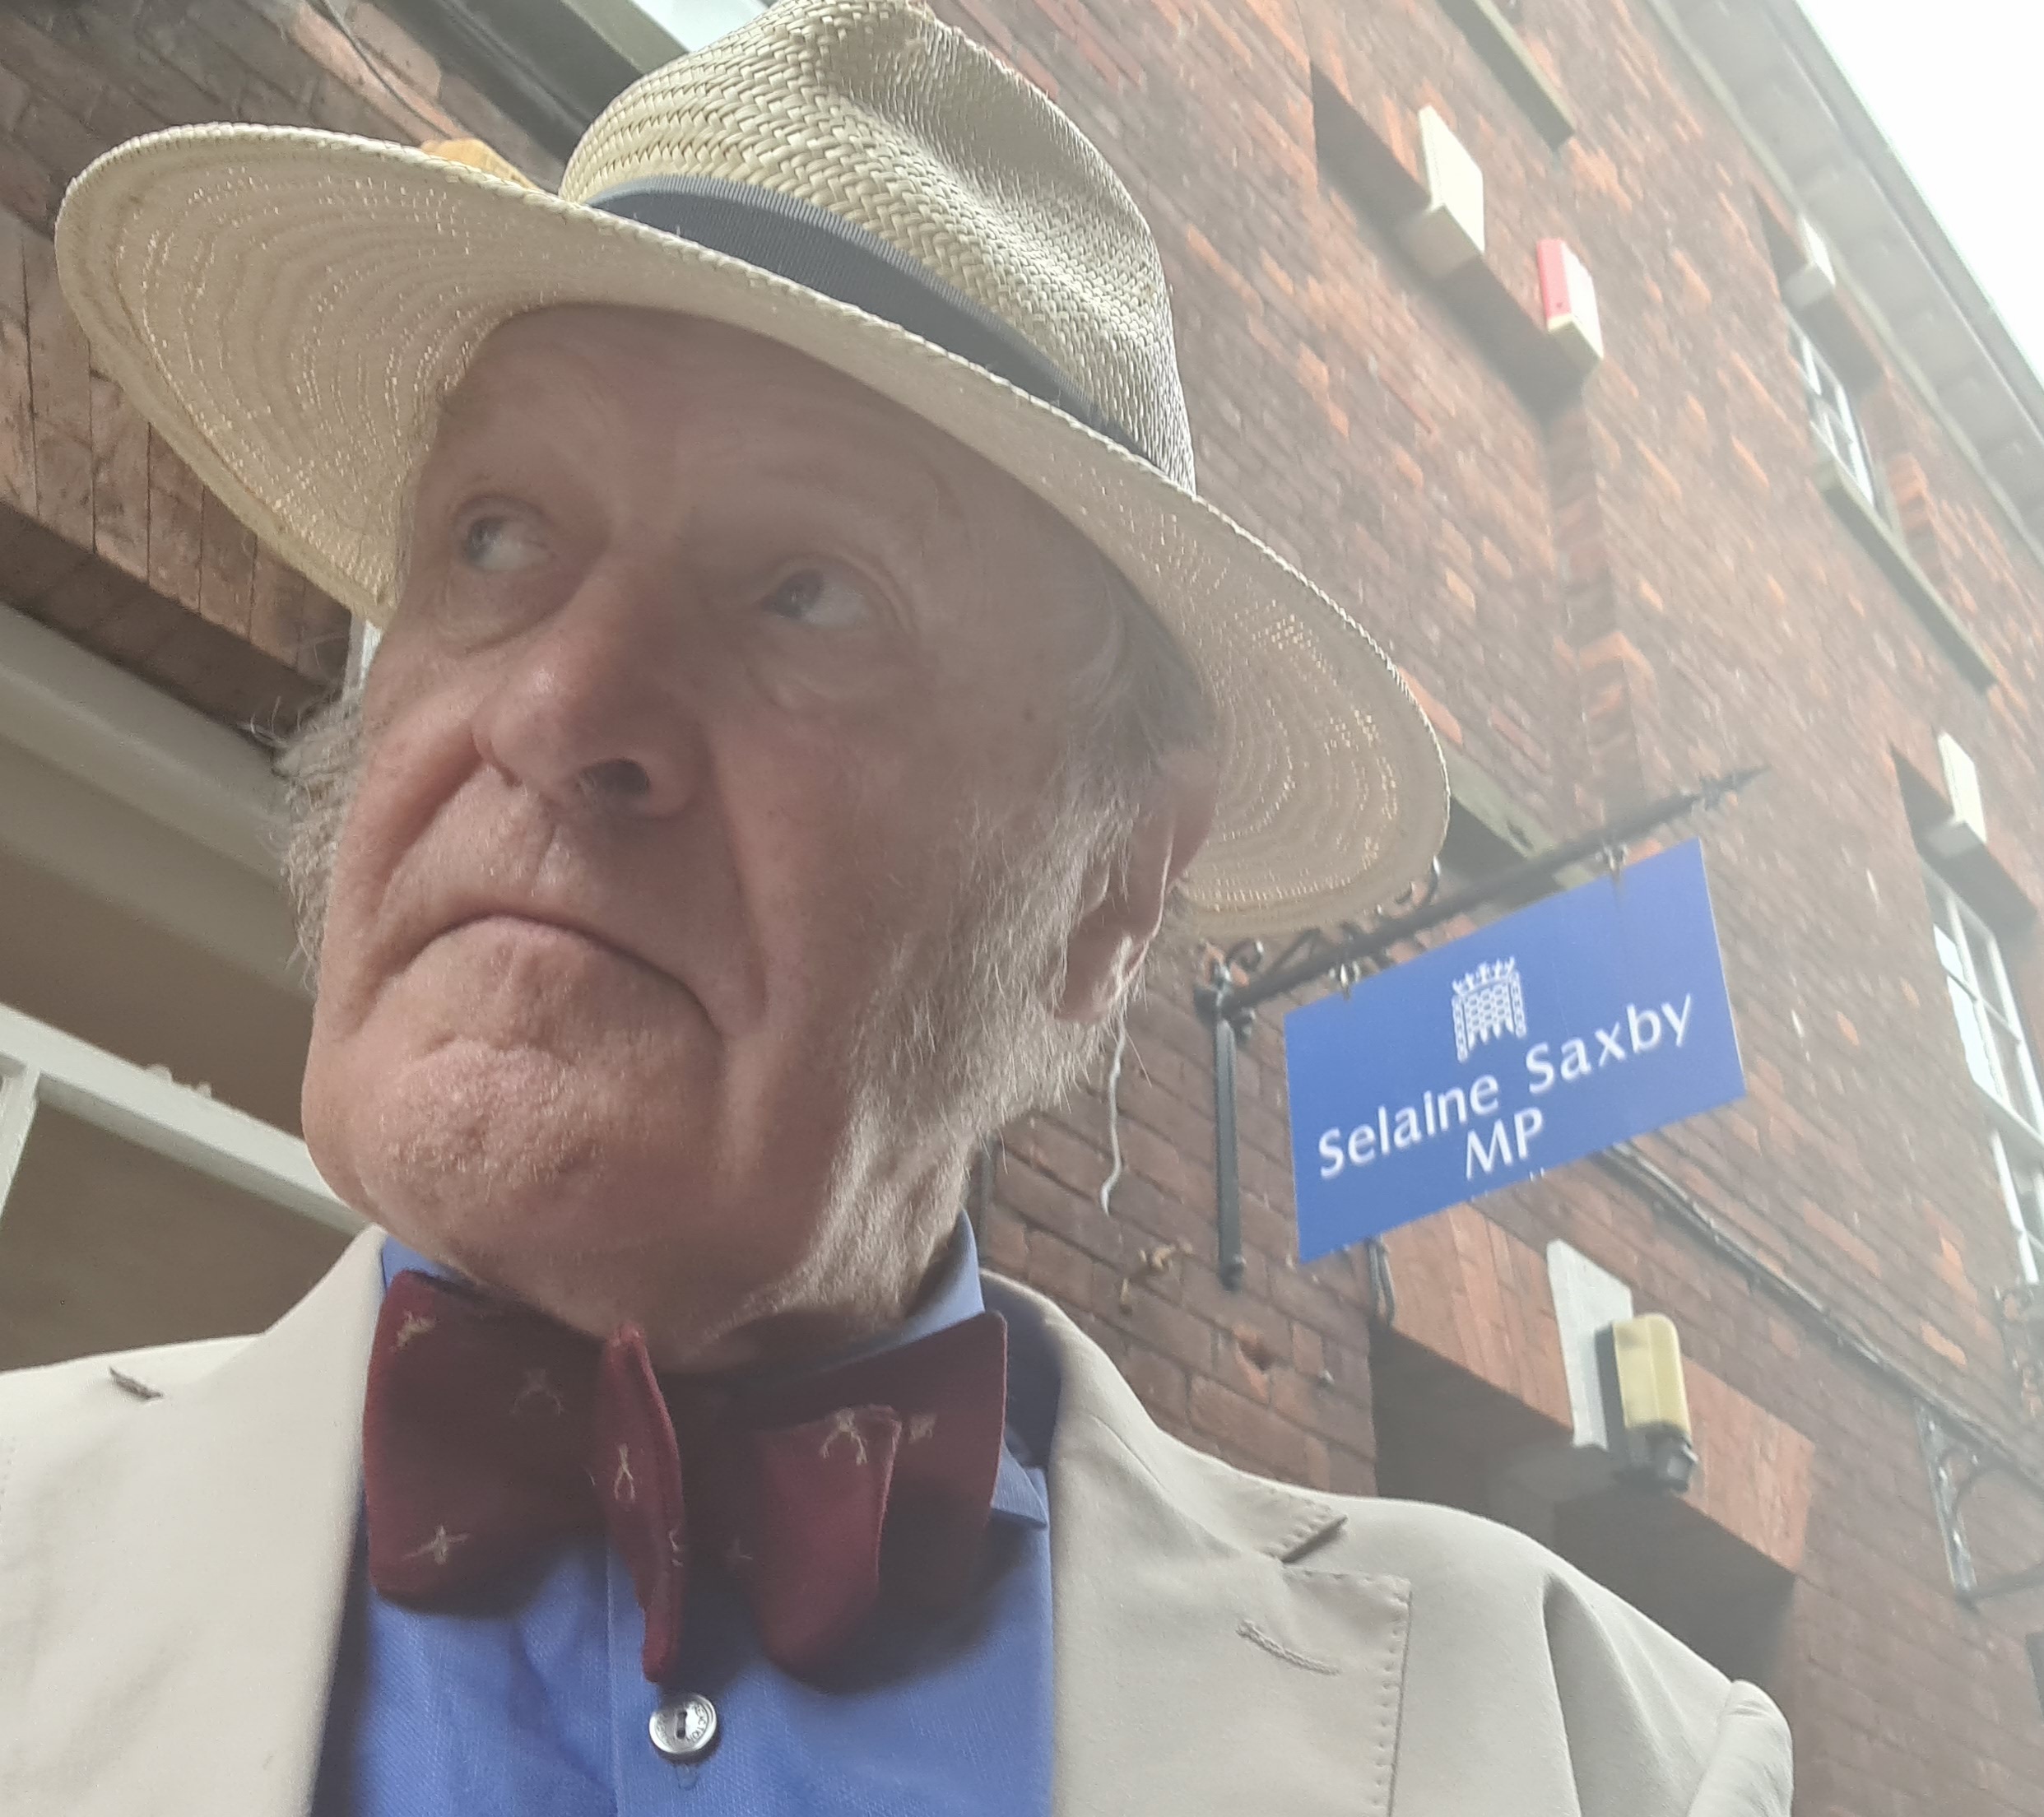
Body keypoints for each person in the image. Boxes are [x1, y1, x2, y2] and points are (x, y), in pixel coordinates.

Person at [0, 1, 1791, 1810]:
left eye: (809, 593)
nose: (557, 707)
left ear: (1107, 888)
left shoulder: (1592, 1755)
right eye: (495, 536)